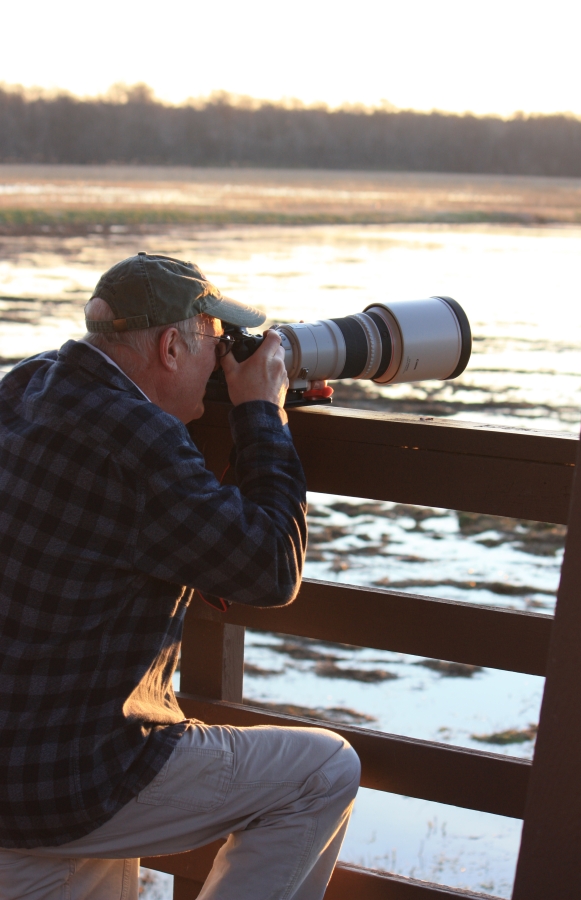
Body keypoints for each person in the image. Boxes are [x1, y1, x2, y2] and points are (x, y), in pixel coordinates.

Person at [0, 252, 360, 900]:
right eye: (216, 344)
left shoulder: (27, 385)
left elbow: (119, 529)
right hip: (69, 783)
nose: (221, 362)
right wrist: (260, 413)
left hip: (22, 764)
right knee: (324, 772)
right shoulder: (139, 439)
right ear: (171, 346)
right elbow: (273, 565)